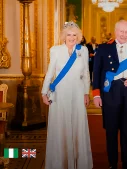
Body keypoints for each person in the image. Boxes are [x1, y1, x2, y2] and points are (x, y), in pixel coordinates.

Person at [41, 21, 93, 169]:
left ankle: (78, 163)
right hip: (60, 94)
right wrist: (44, 92)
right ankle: (60, 163)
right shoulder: (56, 50)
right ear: (64, 36)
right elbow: (50, 72)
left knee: (77, 126)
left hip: (77, 93)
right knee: (61, 127)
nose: (71, 37)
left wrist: (85, 92)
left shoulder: (82, 50)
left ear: (79, 36)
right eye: (69, 34)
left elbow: (86, 73)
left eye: (74, 35)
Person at [92, 20, 127, 169]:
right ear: (115, 31)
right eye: (121, 31)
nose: (124, 34)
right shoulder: (103, 49)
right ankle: (112, 164)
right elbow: (97, 71)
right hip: (110, 94)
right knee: (111, 131)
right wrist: (96, 94)